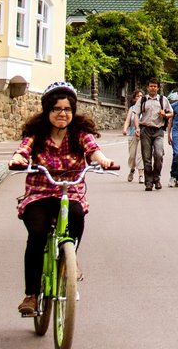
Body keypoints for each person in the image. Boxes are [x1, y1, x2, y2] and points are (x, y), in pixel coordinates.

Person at [9, 81, 117, 317]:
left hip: (69, 193)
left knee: (77, 215)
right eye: (57, 109)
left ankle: (70, 257)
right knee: (37, 234)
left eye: (67, 109)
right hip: (39, 193)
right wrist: (17, 159)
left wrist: (104, 161)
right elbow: (23, 149)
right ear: (48, 110)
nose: (62, 114)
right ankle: (31, 294)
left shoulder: (79, 134)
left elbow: (93, 150)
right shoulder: (37, 134)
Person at [137, 80, 172, 191]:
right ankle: (149, 182)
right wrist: (137, 128)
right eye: (151, 86)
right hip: (145, 130)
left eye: (155, 86)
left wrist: (165, 114)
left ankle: (156, 178)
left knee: (158, 154)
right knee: (146, 158)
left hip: (158, 130)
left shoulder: (163, 100)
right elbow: (135, 114)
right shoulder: (142, 100)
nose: (153, 88)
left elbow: (171, 112)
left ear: (158, 88)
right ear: (147, 87)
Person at [122, 89, 142, 182]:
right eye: (138, 96)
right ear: (134, 98)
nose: (139, 98)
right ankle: (132, 169)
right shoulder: (132, 108)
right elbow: (127, 121)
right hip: (132, 135)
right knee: (132, 156)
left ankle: (141, 175)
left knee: (140, 155)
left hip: (143, 135)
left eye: (141, 96)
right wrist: (125, 129)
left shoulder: (145, 108)